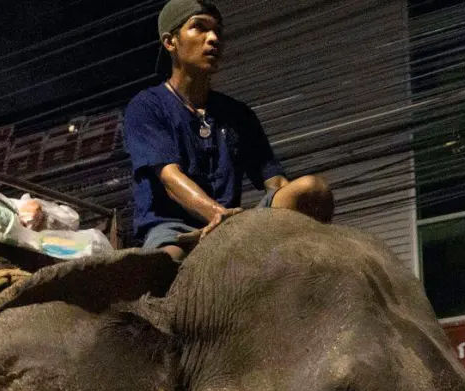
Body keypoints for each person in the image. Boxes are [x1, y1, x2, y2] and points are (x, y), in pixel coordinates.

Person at [124, 0, 334, 260]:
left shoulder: (238, 114)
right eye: (199, 28)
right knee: (165, 263)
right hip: (173, 227)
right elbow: (170, 180)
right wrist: (216, 213)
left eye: (217, 32)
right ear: (170, 42)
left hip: (236, 223)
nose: (213, 39)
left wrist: (291, 218)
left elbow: (276, 182)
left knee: (313, 189)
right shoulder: (146, 106)